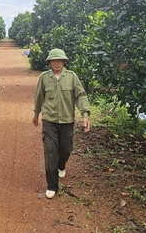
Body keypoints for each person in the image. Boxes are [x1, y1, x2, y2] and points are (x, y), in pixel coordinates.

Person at [33, 48, 90, 199]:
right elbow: (39, 96)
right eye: (53, 60)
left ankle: (61, 165)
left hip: (67, 121)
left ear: (64, 62)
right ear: (50, 62)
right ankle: (52, 186)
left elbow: (80, 95)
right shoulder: (44, 78)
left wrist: (85, 114)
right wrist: (36, 113)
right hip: (49, 121)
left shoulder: (71, 77)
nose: (56, 63)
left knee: (66, 149)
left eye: (59, 60)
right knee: (50, 152)